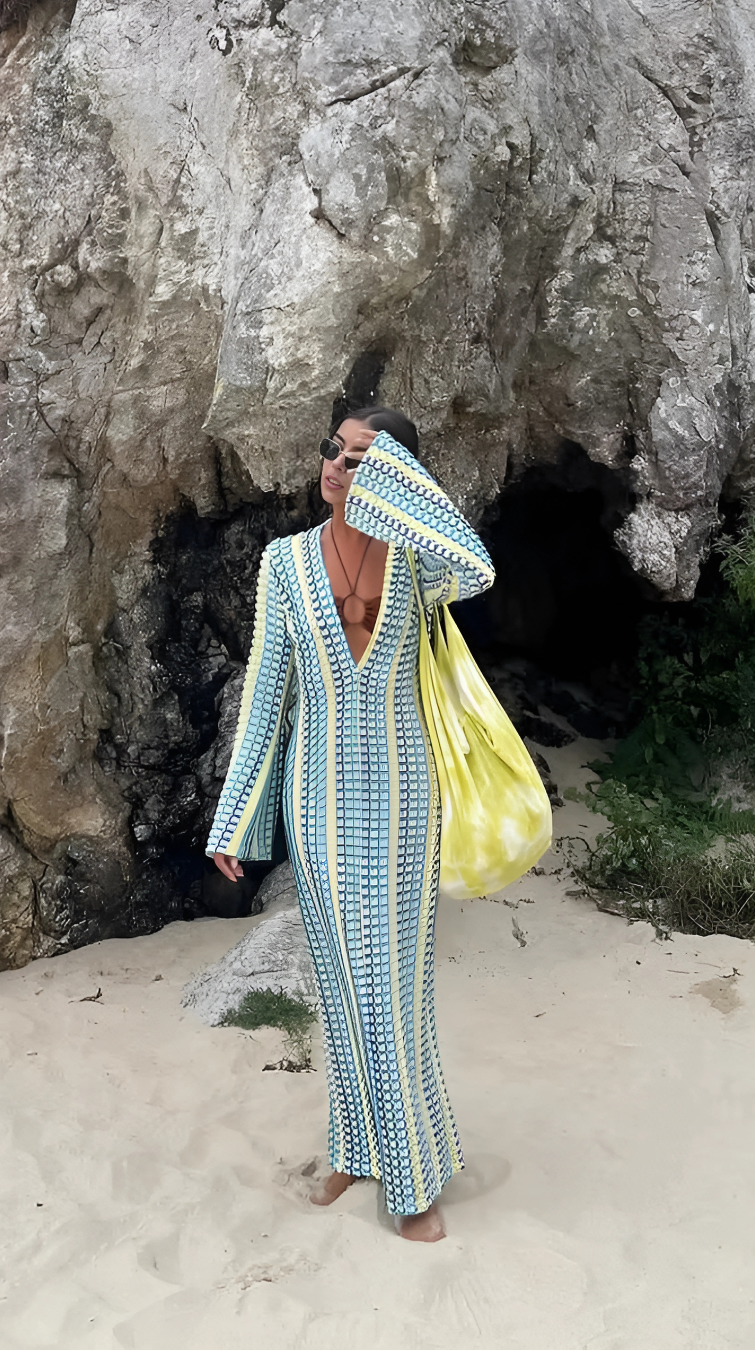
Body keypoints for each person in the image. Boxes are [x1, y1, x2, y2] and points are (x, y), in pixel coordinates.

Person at [207, 406, 494, 1241]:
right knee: (342, 987)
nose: (336, 466)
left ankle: (411, 1177)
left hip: (406, 798)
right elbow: (266, 696)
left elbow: (477, 566)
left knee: (392, 988)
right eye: (334, 450)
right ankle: (355, 1150)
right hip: (318, 802)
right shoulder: (285, 562)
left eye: (362, 458)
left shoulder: (419, 561)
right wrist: (236, 820)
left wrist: (398, 491)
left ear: (398, 475)